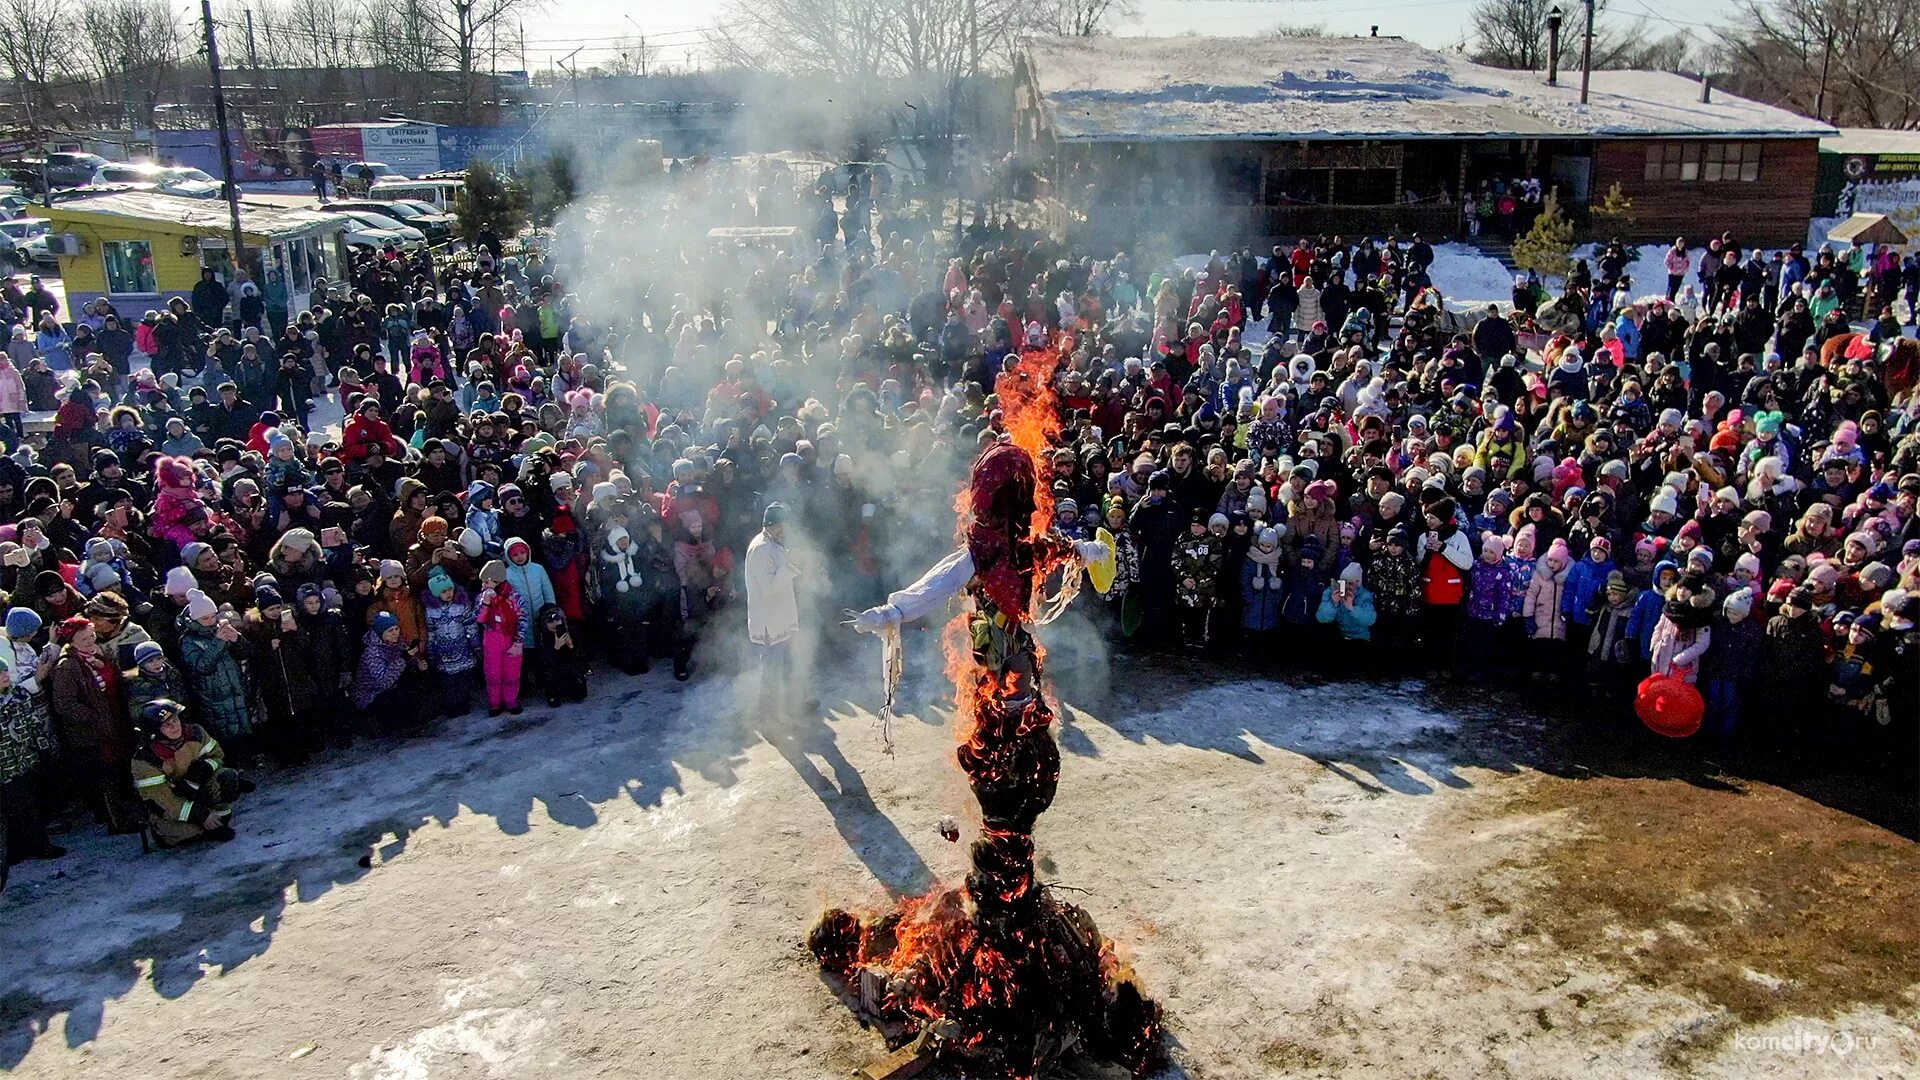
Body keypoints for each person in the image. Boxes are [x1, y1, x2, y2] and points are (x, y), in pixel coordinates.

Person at [129, 698, 243, 847]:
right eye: (166, 725)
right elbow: (164, 801)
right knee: (189, 830)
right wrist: (201, 815)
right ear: (155, 731)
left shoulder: (195, 733)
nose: (174, 726)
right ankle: (164, 833)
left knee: (227, 776)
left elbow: (217, 756)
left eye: (175, 719)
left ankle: (218, 816)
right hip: (170, 807)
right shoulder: (145, 760)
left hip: (198, 792)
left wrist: (206, 766)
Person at [745, 503, 802, 718]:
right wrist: (790, 567)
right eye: (778, 526)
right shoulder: (761, 549)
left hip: (780, 617)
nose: (783, 530)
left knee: (787, 665)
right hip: (769, 621)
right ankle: (766, 716)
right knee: (771, 670)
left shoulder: (773, 543)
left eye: (785, 525)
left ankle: (792, 707)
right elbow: (768, 588)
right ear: (767, 526)